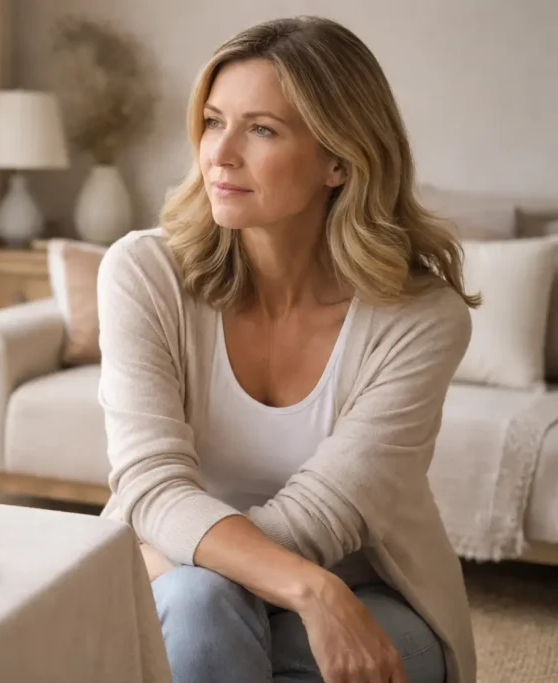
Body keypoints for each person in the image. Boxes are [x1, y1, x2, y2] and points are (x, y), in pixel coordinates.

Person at [96, 15, 479, 683]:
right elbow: (148, 483)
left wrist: (323, 588)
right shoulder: (143, 272)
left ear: (341, 158)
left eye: (262, 129)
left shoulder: (423, 317)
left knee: (200, 619)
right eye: (213, 121)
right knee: (199, 608)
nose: (220, 152)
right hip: (191, 579)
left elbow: (327, 515)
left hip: (362, 588)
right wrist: (308, 590)